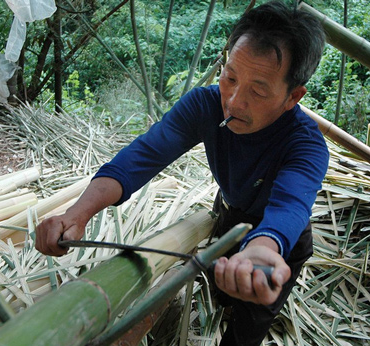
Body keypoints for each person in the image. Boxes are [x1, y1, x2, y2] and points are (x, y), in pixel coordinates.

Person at [35, 1, 329, 345]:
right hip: (230, 215)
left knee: (249, 322)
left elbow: (289, 208)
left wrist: (263, 249)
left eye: (258, 91)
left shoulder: (306, 145)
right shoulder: (204, 106)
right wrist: (77, 213)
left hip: (277, 244)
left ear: (293, 96)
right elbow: (141, 157)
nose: (234, 101)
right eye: (230, 77)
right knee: (221, 290)